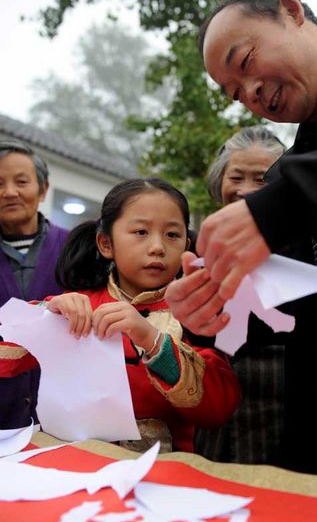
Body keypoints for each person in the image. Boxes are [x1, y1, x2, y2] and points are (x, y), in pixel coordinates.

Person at [166, 0, 317, 485]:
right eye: (234, 92)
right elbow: (285, 310)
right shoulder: (288, 172)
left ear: (291, 11)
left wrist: (284, 204)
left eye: (245, 61)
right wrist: (213, 312)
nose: (249, 94)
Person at [1, 177, 240, 452]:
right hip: (75, 469)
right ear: (106, 243)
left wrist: (153, 341)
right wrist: (45, 315)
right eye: (141, 232)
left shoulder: (196, 312)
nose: (158, 247)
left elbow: (219, 409)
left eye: (172, 235)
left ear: (186, 244)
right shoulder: (76, 308)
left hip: (160, 476)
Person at [195, 125, 287, 463]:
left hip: (287, 401)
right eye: (236, 177)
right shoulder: (197, 248)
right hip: (216, 398)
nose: (246, 191)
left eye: (262, 179)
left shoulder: (307, 245)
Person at [0, 139, 68, 430]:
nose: (9, 192)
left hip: (65, 418)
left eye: (22, 181)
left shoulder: (76, 248)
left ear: (43, 190)